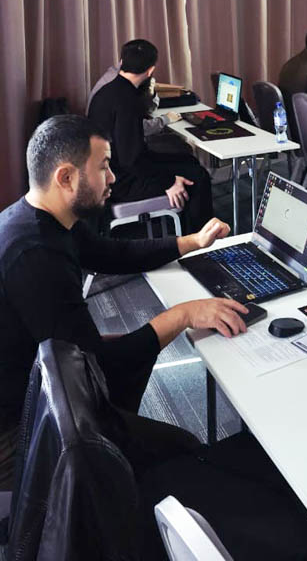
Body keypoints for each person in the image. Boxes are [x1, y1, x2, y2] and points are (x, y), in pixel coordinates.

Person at [0, 114, 249, 492]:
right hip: (15, 428)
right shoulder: (35, 256)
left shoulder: (43, 218)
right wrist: (183, 315)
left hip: (37, 376)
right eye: (103, 166)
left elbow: (112, 253)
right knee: (183, 449)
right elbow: (97, 370)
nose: (113, 177)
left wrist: (192, 242)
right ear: (66, 178)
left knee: (131, 354)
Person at [88, 39, 213, 231]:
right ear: (150, 71)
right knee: (198, 176)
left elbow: (131, 153)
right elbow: (131, 160)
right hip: (121, 182)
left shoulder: (106, 91)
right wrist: (169, 182)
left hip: (111, 170)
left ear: (122, 62)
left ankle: (189, 228)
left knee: (188, 160)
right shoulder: (127, 101)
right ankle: (201, 238)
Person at [87, 56, 183, 140]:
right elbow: (137, 128)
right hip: (115, 147)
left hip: (113, 141)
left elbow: (146, 110)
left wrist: (150, 93)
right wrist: (165, 119)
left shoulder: (115, 77)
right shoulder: (120, 88)